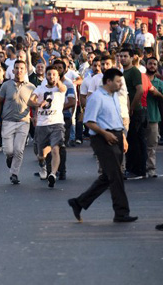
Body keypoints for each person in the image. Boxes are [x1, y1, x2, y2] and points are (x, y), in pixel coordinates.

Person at [68, 68, 137, 223]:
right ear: (108, 81)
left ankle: (79, 202)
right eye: (118, 81)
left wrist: (123, 137)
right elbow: (88, 121)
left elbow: (116, 119)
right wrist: (105, 134)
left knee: (108, 176)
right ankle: (121, 213)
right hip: (102, 139)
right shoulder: (97, 97)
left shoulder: (113, 96)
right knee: (116, 176)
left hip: (117, 135)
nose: (120, 84)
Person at [0, 60, 35, 184]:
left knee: (19, 150)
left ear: (25, 70)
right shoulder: (6, 85)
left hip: (24, 121)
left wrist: (36, 117)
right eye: (16, 68)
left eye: (22, 68)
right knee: (9, 150)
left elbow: (35, 104)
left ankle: (14, 174)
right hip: (7, 121)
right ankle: (9, 158)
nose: (19, 71)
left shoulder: (31, 87)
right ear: (13, 71)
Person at [28, 65, 67, 188]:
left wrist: (58, 82)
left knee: (56, 149)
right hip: (42, 125)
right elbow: (29, 101)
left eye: (54, 74)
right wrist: (39, 103)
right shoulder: (39, 89)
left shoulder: (60, 88)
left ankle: (53, 174)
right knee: (41, 155)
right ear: (46, 76)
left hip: (56, 124)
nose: (51, 77)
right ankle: (43, 165)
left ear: (58, 76)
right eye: (49, 74)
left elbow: (62, 87)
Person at [120, 47, 147, 180]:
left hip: (136, 111)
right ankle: (132, 169)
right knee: (131, 140)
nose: (123, 58)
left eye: (125, 56)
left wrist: (131, 108)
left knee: (135, 141)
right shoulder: (123, 72)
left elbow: (140, 90)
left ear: (132, 58)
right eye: (121, 56)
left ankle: (138, 171)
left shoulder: (134, 71)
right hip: (127, 111)